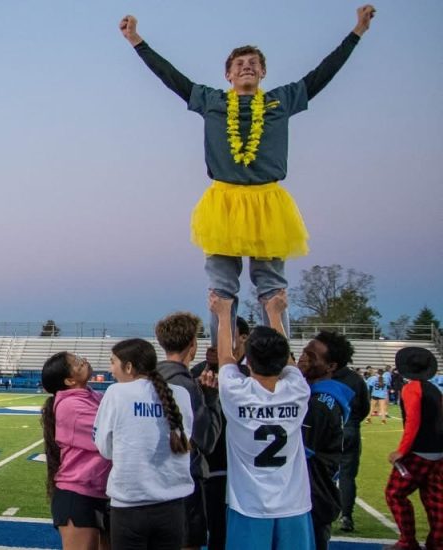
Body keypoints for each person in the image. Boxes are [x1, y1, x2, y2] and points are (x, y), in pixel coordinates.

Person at [118, 5, 376, 343]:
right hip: (224, 202)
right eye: (239, 64)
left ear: (263, 72)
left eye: (253, 63)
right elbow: (170, 76)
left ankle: (278, 357)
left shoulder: (281, 100)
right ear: (228, 75)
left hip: (268, 201)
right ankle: (220, 357)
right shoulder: (210, 100)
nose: (246, 67)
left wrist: (357, 32)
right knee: (222, 287)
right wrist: (136, 40)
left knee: (272, 286)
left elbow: (323, 74)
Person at [210, 291, 314, 549]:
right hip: (294, 504)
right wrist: (275, 313)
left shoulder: (237, 392)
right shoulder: (298, 390)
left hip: (249, 505)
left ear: (249, 362)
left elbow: (225, 357)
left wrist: (223, 314)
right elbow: (288, 361)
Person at [94, 338, 194, 549]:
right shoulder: (182, 394)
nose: (111, 369)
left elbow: (105, 448)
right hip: (173, 505)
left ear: (128, 367)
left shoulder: (116, 392)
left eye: (113, 362)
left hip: (129, 504)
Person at [155, 312, 223, 550]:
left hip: (152, 479)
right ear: (192, 344)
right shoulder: (188, 386)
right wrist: (211, 398)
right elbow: (207, 440)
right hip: (184, 480)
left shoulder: (147, 380)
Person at [189, 316, 249, 550]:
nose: (219, 342)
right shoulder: (199, 371)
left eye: (227, 335)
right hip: (212, 463)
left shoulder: (254, 371)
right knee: (213, 528)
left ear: (243, 338)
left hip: (244, 465)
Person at [41, 352, 111, 550]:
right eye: (77, 363)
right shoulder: (70, 405)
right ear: (70, 381)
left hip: (101, 492)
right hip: (79, 494)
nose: (84, 361)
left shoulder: (93, 396)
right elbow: (113, 433)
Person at [297, 332, 354, 550]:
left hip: (314, 494)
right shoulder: (323, 397)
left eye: (312, 356)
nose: (303, 358)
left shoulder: (319, 404)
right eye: (304, 352)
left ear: (331, 366)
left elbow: (301, 451)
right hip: (318, 491)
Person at [385, 347, 442, 550]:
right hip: (438, 451)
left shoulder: (411, 389)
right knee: (435, 499)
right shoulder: (434, 390)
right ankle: (437, 542)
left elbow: (413, 421)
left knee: (395, 493)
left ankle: (407, 541)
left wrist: (401, 450)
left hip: (419, 451)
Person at [329, 338, 370, 533]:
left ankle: (325, 512)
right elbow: (364, 408)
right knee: (347, 475)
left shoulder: (323, 376)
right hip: (350, 427)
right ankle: (346, 516)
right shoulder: (356, 379)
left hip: (330, 429)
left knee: (322, 473)